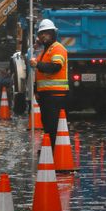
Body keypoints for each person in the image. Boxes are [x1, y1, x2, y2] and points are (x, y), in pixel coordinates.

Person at [30, 19, 68, 147]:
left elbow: (54, 68)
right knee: (47, 124)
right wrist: (36, 90)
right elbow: (39, 74)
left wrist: (38, 64)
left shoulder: (58, 48)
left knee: (52, 125)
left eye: (46, 33)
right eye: (41, 33)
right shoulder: (43, 52)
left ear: (52, 33)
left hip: (55, 95)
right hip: (46, 94)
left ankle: (52, 150)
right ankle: (49, 150)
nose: (43, 36)